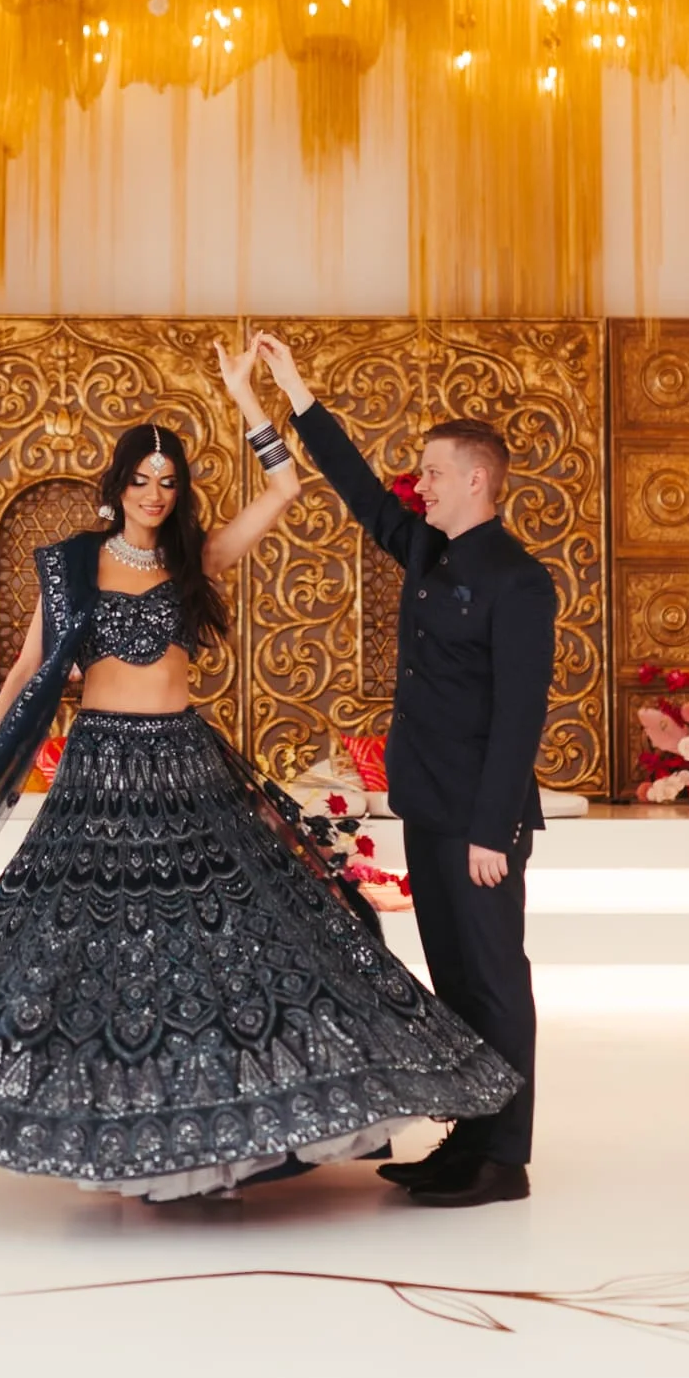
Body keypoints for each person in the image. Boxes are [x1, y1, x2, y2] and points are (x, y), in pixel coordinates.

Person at [0, 340, 519, 1201]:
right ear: (117, 484)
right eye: (142, 480)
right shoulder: (68, 567)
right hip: (100, 775)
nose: (155, 495)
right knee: (88, 961)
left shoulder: (193, 557)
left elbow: (285, 490)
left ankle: (229, 1145)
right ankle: (129, 1137)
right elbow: (29, 673)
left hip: (185, 770)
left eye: (169, 483)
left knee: (224, 952)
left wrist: (246, 396)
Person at [255, 332, 555, 1208]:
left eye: (430, 471)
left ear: (476, 479)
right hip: (428, 805)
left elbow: (519, 715)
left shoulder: (518, 580)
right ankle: (468, 1135)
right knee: (454, 979)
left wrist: (493, 830)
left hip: (480, 822)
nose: (416, 482)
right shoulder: (429, 550)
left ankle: (506, 1156)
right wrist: (296, 393)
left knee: (496, 979)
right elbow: (354, 485)